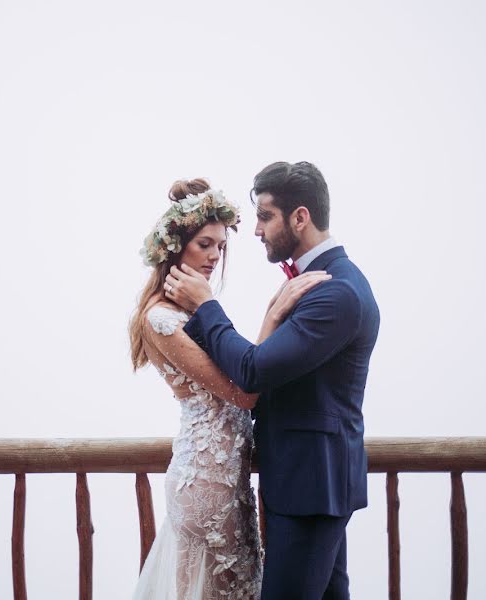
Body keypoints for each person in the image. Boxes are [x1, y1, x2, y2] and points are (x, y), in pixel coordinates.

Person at [165, 162, 380, 600]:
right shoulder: (319, 284)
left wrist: (207, 306)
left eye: (265, 216)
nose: (257, 230)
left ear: (300, 217)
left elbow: (253, 372)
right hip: (305, 483)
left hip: (312, 488)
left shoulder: (335, 292)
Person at [130, 177, 330, 600]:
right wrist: (273, 315)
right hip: (205, 484)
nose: (213, 256)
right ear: (175, 247)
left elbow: (245, 373)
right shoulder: (161, 318)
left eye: (220, 246)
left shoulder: (193, 309)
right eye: (204, 244)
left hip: (229, 481)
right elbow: (244, 392)